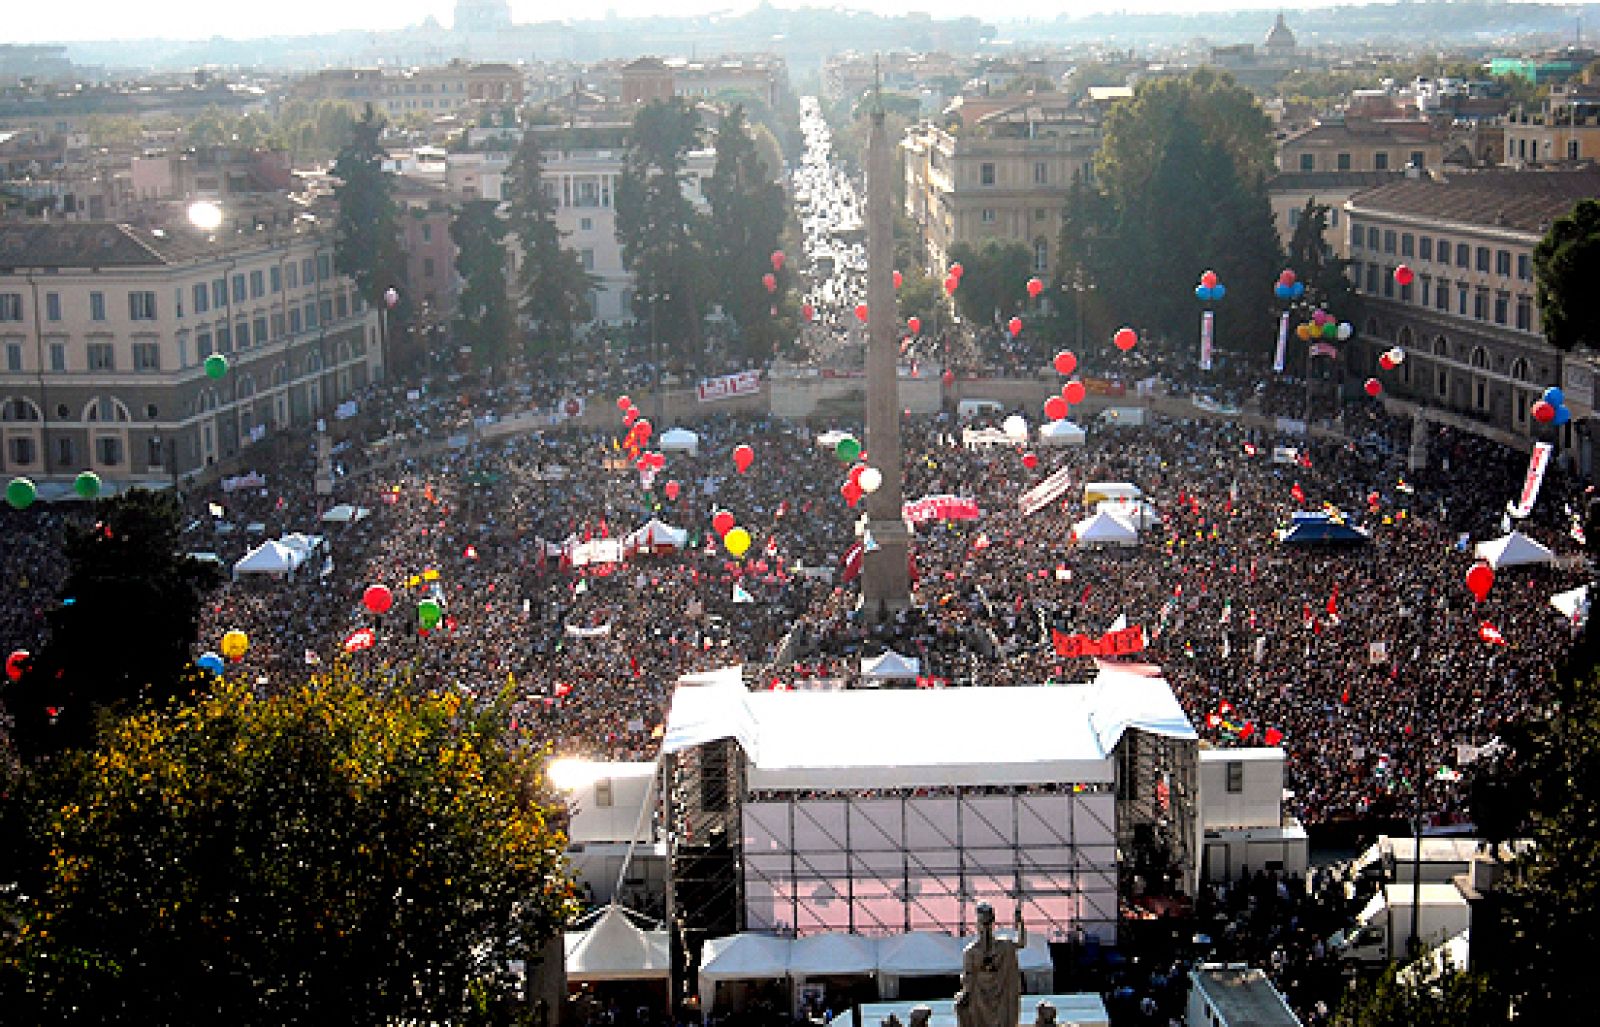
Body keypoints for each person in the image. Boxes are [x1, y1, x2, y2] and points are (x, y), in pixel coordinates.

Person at [955, 903, 1025, 1027]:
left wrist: (1020, 924)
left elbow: (1021, 943)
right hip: (980, 998)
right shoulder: (971, 951)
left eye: (987, 923)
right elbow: (968, 978)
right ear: (978, 925)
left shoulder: (1003, 946)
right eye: (983, 923)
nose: (985, 927)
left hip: (1001, 995)